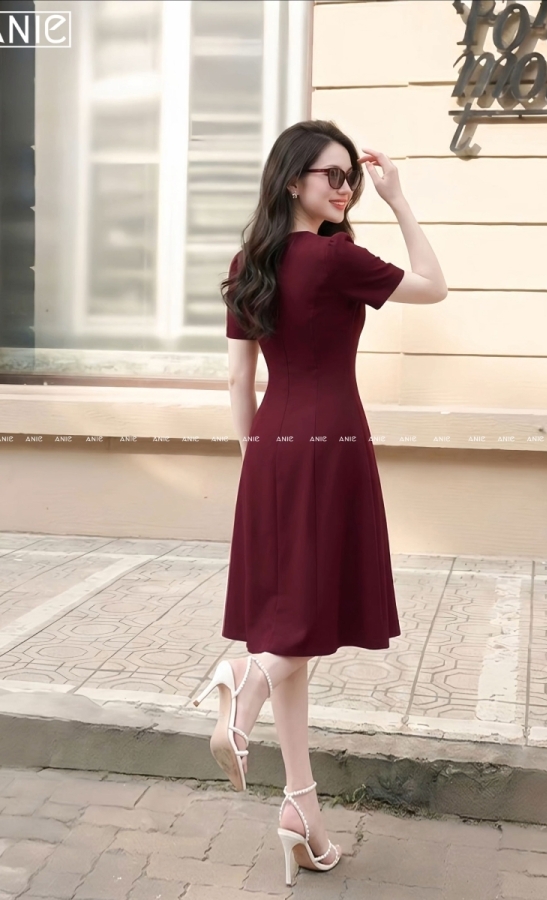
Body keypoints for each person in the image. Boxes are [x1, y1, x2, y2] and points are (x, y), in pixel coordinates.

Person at [193, 119, 447, 886]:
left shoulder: (249, 261)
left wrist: (256, 460)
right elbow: (433, 284)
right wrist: (401, 203)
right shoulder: (335, 259)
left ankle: (301, 809)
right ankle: (245, 686)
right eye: (331, 176)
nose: (346, 188)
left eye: (352, 178)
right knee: (308, 618)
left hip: (271, 445)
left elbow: (237, 380)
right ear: (292, 180)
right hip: (333, 442)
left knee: (291, 618)